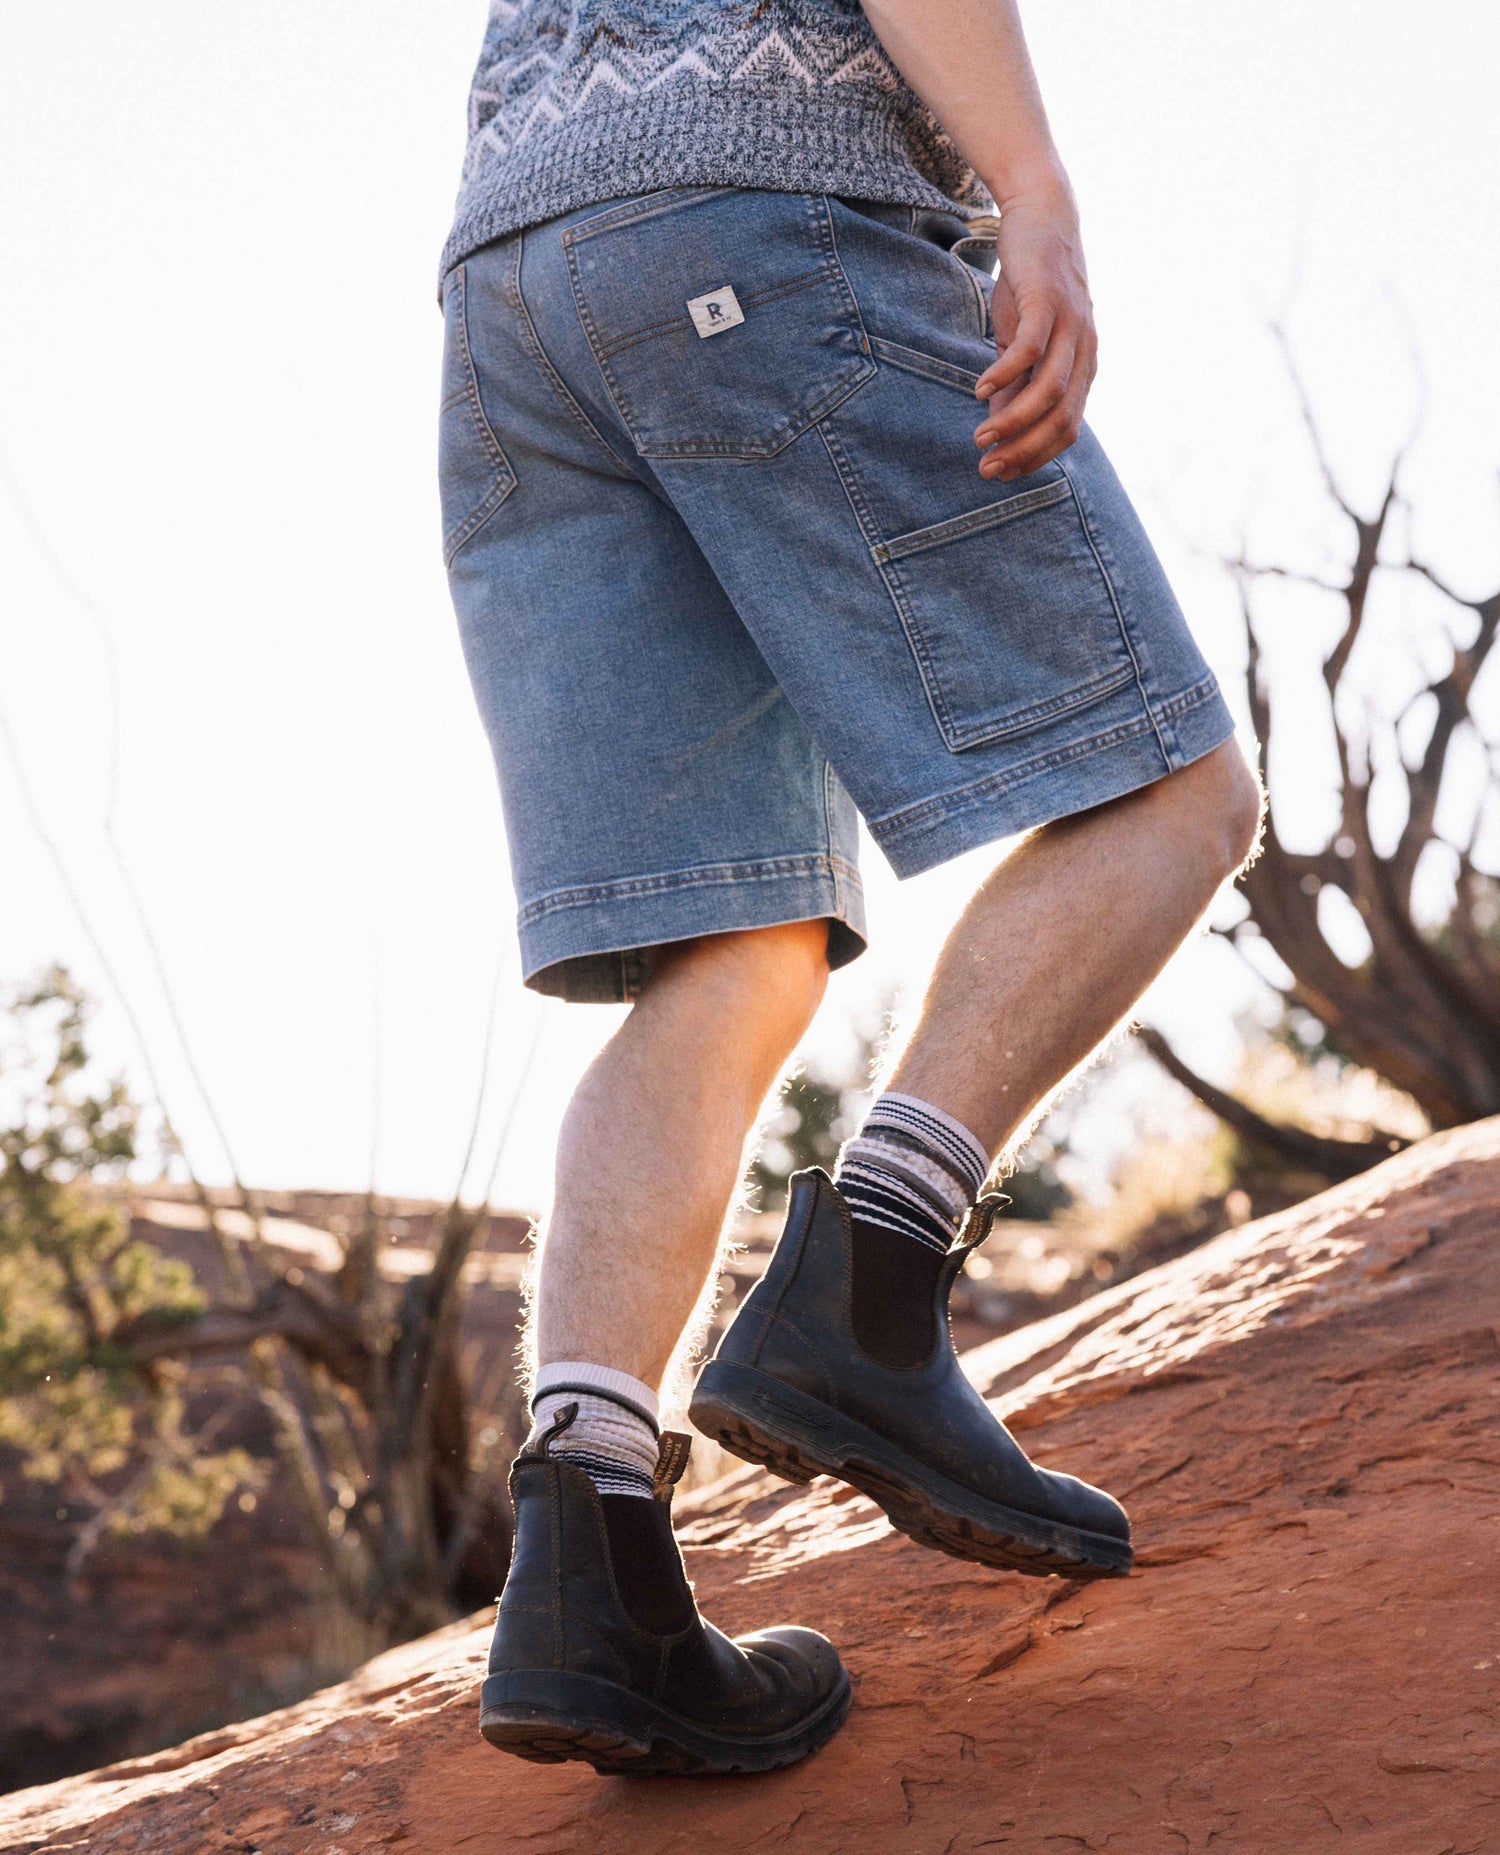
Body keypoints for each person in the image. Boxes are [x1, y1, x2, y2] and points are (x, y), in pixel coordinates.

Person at [438, 0, 1262, 1778]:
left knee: (727, 944)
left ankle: (589, 1556)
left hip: (509, 298)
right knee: (1180, 792)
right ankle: (870, 1280)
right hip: (754, 210)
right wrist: (1031, 181)